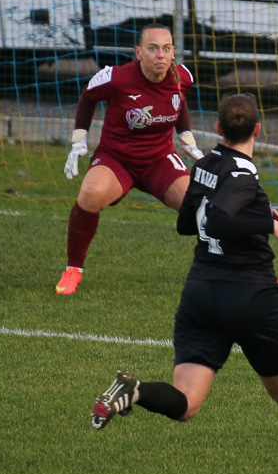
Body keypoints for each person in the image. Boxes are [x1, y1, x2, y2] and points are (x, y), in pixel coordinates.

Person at [90, 93, 278, 474]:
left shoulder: (205, 164)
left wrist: (254, 210)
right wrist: (271, 224)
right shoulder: (244, 172)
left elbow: (185, 224)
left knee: (186, 403)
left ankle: (134, 393)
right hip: (250, 297)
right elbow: (225, 220)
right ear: (258, 130)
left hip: (200, 295)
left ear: (220, 130)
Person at [55, 23, 203, 295]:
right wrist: (79, 140)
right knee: (90, 194)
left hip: (160, 160)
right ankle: (73, 270)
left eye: (167, 48)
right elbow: (87, 97)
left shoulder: (183, 76)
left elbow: (178, 102)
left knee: (203, 208)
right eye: (153, 48)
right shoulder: (115, 77)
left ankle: (244, 273)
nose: (161, 55)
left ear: (173, 53)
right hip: (116, 159)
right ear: (138, 52)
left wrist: (187, 138)